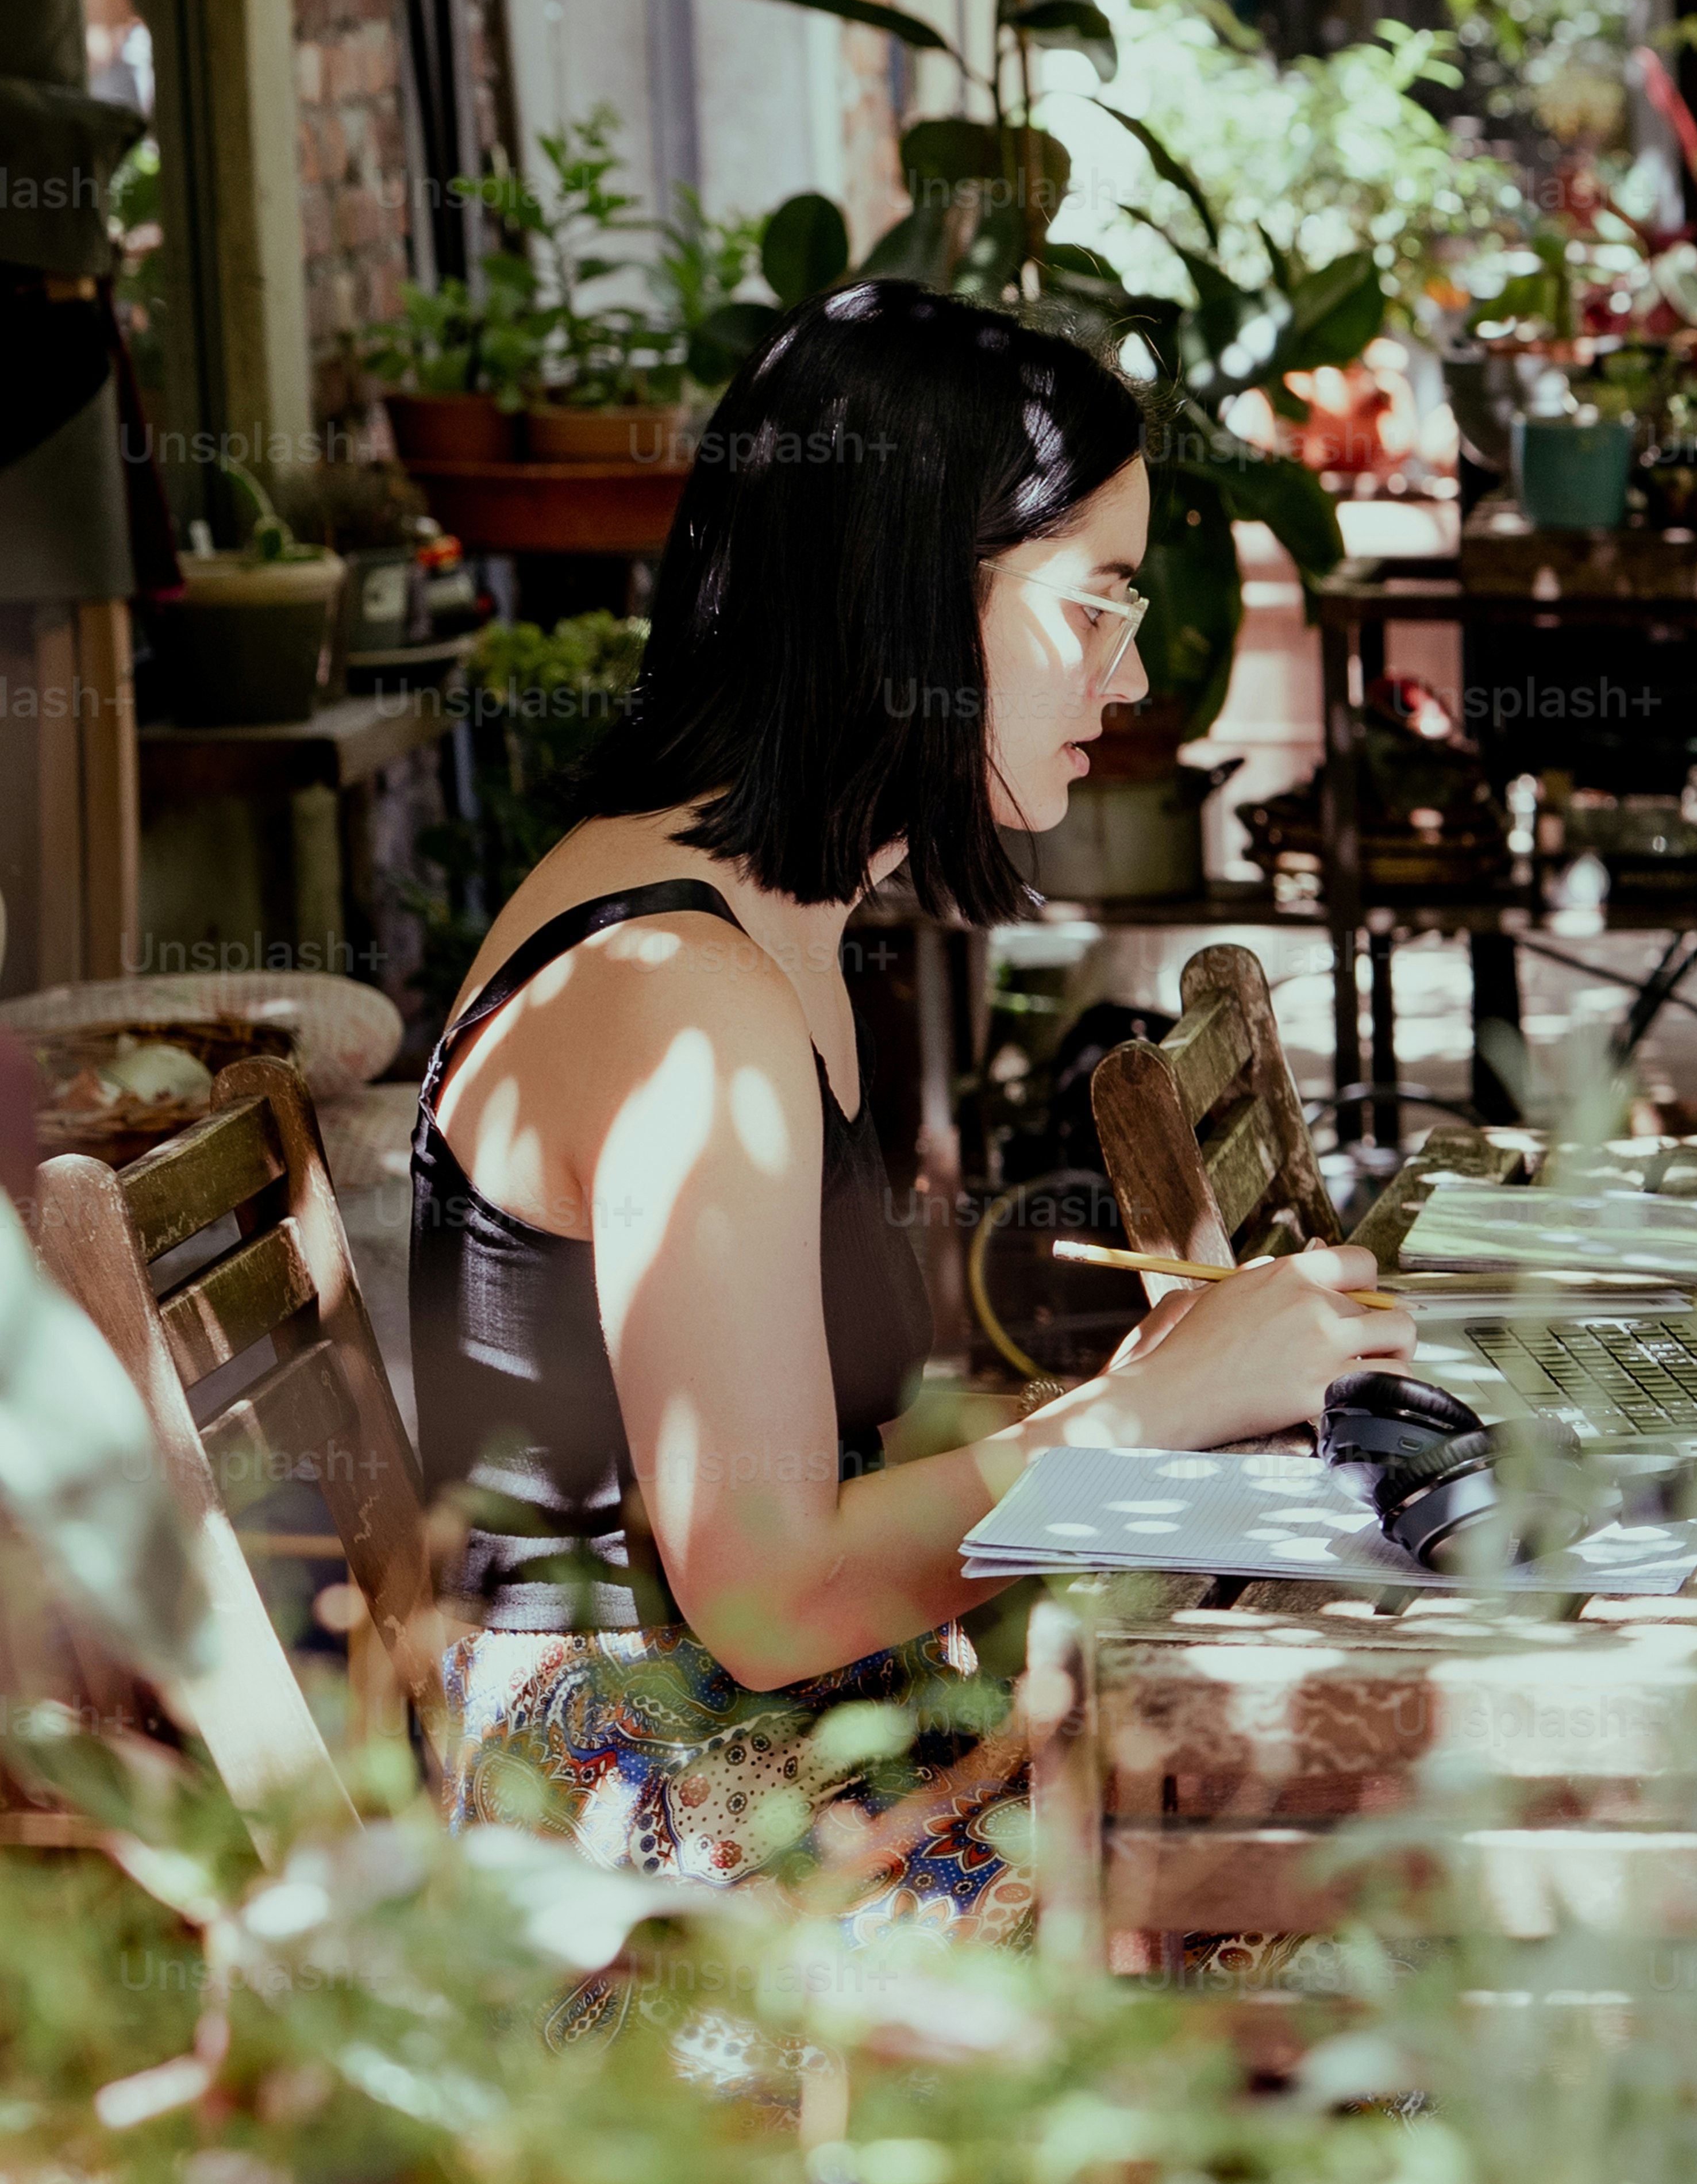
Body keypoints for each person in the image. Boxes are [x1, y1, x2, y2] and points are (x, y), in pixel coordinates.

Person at [413, 283, 1412, 1932]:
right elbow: (768, 1591)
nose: (1134, 666)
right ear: (913, 604)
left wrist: (1162, 1390)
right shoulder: (694, 1000)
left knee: (1326, 1825)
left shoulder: (764, 922)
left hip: (766, 1775)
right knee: (1337, 1902)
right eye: (1093, 606)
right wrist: (1143, 1419)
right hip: (655, 1860)